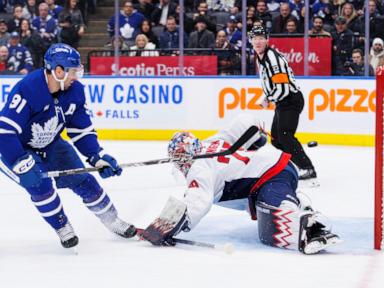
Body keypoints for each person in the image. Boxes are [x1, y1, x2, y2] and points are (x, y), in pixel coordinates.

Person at [0, 43, 136, 249]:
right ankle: (61, 226)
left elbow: (81, 129)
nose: (76, 76)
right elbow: (5, 132)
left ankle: (111, 219)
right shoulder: (29, 88)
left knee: (83, 180)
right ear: (58, 71)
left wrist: (96, 155)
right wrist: (19, 163)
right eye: (73, 71)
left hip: (51, 144)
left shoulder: (75, 91)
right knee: (40, 186)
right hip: (16, 149)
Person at [141, 114, 340, 254]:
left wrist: (168, 229)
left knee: (273, 223)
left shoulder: (199, 171)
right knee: (264, 212)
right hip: (275, 168)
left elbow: (197, 202)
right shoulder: (210, 142)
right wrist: (257, 137)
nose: (178, 164)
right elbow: (244, 122)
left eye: (178, 159)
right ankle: (300, 205)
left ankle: (312, 229)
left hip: (272, 174)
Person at [249, 25, 317, 182]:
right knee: (276, 139)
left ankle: (307, 168)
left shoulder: (272, 58)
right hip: (283, 101)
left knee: (285, 135)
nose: (258, 41)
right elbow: (271, 84)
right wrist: (267, 96)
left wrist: (269, 98)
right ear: (251, 41)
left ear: (267, 40)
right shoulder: (261, 57)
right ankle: (292, 165)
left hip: (290, 100)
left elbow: (283, 89)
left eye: (261, 38)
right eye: (255, 38)